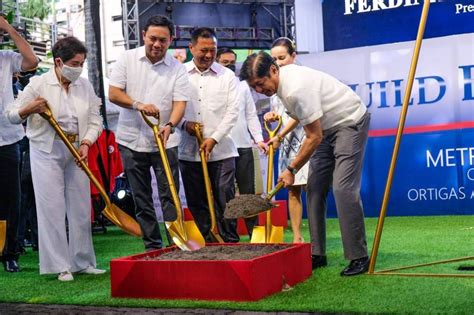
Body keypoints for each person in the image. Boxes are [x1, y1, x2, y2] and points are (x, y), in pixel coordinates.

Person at [240, 51, 371, 276]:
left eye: (261, 84)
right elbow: (302, 116)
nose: (260, 90)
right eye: (255, 87)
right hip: (326, 127)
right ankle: (317, 253)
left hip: (350, 121)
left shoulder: (295, 88)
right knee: (314, 188)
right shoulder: (281, 85)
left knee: (343, 189)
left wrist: (291, 169)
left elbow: (314, 137)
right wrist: (280, 135)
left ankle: (359, 257)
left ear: (273, 70)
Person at [6, 36, 105, 281]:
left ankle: (82, 261)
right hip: (46, 150)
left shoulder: (85, 85)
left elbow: (96, 120)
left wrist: (86, 143)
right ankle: (59, 265)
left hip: (76, 150)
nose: (79, 68)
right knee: (51, 207)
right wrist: (29, 109)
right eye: (75, 63)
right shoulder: (39, 84)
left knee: (81, 207)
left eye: (82, 63)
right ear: (59, 62)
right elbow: (10, 114)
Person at [108, 15, 190, 251]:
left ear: (170, 40)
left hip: (166, 140)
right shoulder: (127, 59)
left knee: (170, 194)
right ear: (144, 35)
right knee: (141, 196)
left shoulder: (177, 69)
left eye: (163, 40)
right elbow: (114, 93)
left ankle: (177, 244)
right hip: (131, 140)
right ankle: (153, 246)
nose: (157, 44)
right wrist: (138, 105)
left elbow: (180, 103)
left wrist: (170, 125)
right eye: (153, 38)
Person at [179, 28, 239, 243]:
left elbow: (233, 112)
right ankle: (209, 242)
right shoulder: (179, 74)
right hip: (189, 152)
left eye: (212, 50)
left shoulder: (228, 76)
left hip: (222, 150)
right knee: (197, 200)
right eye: (203, 50)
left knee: (226, 197)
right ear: (191, 48)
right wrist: (184, 123)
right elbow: (170, 109)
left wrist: (214, 138)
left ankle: (231, 242)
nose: (208, 55)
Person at [0, 15, 38, 273]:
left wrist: (7, 27)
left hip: (8, 137)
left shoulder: (6, 58)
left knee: (13, 198)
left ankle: (10, 252)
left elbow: (32, 61)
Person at [216, 47, 267, 237]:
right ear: (216, 62)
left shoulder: (243, 86)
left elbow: (251, 114)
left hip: (244, 146)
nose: (230, 66)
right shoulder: (212, 85)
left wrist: (259, 139)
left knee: (248, 195)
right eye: (225, 62)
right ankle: (229, 236)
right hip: (222, 148)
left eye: (232, 62)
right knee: (224, 195)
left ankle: (254, 235)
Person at [265, 37, 308, 243]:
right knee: (293, 190)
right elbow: (282, 114)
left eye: (282, 57)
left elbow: (298, 114)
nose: (278, 63)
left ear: (293, 56)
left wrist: (280, 135)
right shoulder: (274, 85)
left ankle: (318, 239)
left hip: (308, 139)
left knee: (314, 191)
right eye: (274, 59)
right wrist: (273, 117)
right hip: (287, 143)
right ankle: (297, 237)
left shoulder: (302, 81)